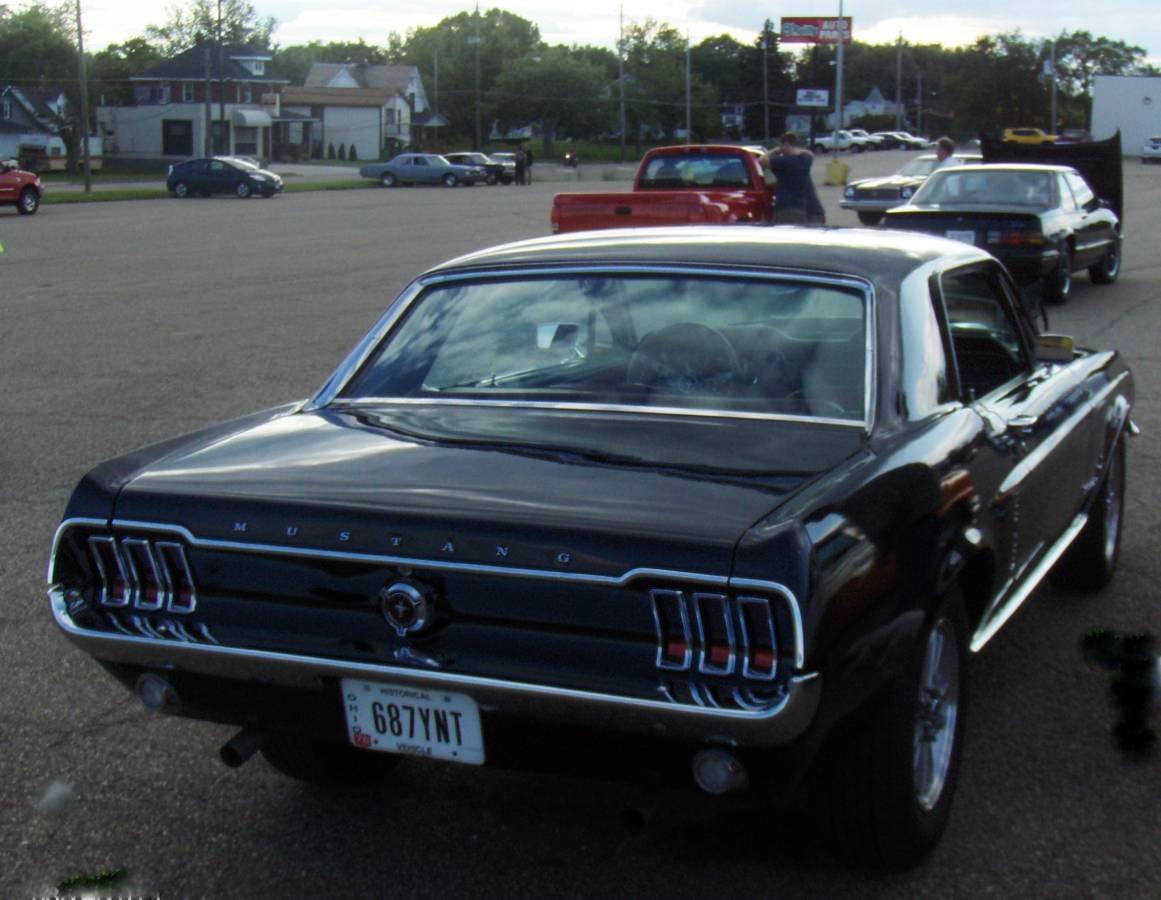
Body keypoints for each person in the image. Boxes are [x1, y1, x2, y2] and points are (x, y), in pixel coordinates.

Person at [760, 132, 826, 225]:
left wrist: (775, 151)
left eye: (781, 145)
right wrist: (795, 150)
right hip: (805, 208)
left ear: (786, 144)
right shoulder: (805, 160)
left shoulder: (783, 161)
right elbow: (810, 154)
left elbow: (761, 161)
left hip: (786, 207)